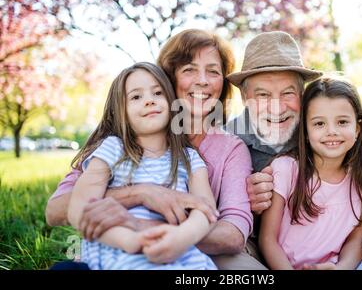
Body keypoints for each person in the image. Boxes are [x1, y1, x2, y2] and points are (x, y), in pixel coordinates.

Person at [46, 29, 259, 269]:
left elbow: (229, 232)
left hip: (184, 257)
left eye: (213, 71)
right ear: (169, 79)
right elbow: (57, 209)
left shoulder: (218, 151)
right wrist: (142, 193)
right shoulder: (116, 143)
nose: (203, 80)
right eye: (189, 69)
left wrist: (145, 230)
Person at [224, 31, 362, 265]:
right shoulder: (228, 140)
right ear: (245, 97)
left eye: (288, 93)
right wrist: (240, 200)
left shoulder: (321, 130)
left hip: (324, 252)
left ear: (302, 94)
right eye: (263, 95)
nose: (277, 108)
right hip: (254, 243)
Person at [67, 62, 217, 269]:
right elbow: (79, 209)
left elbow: (206, 210)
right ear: (120, 111)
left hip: (179, 253)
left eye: (157, 93)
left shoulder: (189, 159)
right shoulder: (112, 149)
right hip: (119, 252)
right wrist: (131, 241)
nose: (149, 101)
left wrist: (182, 237)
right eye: (136, 97)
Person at [259, 77, 362, 269]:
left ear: (357, 129)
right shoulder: (285, 170)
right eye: (319, 124)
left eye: (342, 122)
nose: (332, 131)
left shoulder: (361, 178)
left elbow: (354, 241)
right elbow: (267, 239)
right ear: (305, 130)